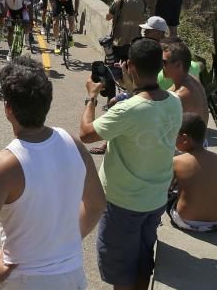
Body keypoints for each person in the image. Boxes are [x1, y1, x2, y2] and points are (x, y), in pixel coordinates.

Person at [0, 56, 105, 289]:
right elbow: (97, 204)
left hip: (24, 280)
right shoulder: (73, 144)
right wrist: (61, 245)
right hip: (72, 276)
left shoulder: (4, 166)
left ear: (8, 109)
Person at [79, 38, 182, 290]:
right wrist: (132, 86)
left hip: (123, 204)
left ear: (130, 65)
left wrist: (91, 98)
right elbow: (146, 105)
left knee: (121, 272)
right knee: (142, 260)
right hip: (155, 199)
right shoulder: (174, 102)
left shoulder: (127, 110)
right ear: (159, 67)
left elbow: (86, 134)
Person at [168, 113, 217, 233]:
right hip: (215, 223)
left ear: (185, 139)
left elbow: (164, 188)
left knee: (175, 183)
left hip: (183, 221)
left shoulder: (177, 161)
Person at [162, 40, 208, 124]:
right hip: (200, 136)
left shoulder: (180, 96)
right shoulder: (192, 79)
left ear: (178, 65)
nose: (161, 65)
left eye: (164, 62)